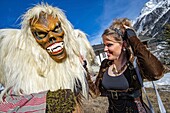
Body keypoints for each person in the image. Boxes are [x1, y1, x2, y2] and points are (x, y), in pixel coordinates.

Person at [0, 3, 95, 113]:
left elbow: (93, 91)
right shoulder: (25, 70)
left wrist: (83, 66)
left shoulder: (73, 61)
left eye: (56, 29)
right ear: (33, 39)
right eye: (41, 34)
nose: (51, 37)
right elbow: (8, 105)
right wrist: (52, 100)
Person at [87, 18, 165, 113]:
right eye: (104, 45)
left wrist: (132, 38)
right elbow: (95, 93)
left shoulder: (134, 63)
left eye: (109, 45)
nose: (105, 49)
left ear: (123, 44)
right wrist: (84, 68)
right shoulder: (105, 65)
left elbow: (156, 73)